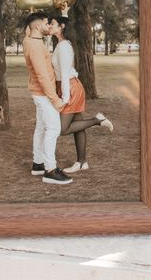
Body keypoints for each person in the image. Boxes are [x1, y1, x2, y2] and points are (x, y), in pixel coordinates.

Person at [49, 15, 114, 173]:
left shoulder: (64, 46)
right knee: (78, 127)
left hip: (70, 88)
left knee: (62, 129)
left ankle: (97, 120)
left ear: (62, 26)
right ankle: (82, 162)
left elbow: (64, 74)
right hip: (67, 86)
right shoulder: (61, 44)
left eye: (52, 23)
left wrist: (64, 98)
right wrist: (65, 10)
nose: (49, 25)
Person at [22, 11, 73, 185]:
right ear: (37, 26)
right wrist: (55, 100)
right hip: (43, 93)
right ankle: (50, 170)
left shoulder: (30, 39)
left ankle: (38, 164)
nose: (48, 26)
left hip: (39, 92)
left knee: (41, 128)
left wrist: (31, 20)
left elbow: (28, 31)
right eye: (46, 23)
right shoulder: (34, 46)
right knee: (53, 129)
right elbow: (42, 76)